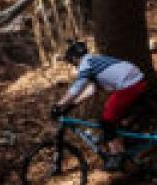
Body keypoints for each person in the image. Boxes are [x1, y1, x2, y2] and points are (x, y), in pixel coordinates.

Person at [50, 40, 148, 170]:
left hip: (130, 84)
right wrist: (73, 104)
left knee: (107, 120)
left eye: (71, 62)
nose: (73, 65)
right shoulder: (93, 60)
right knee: (111, 115)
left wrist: (59, 105)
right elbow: (92, 90)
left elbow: (77, 88)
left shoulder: (86, 64)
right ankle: (121, 148)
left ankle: (117, 156)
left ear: (74, 58)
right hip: (132, 80)